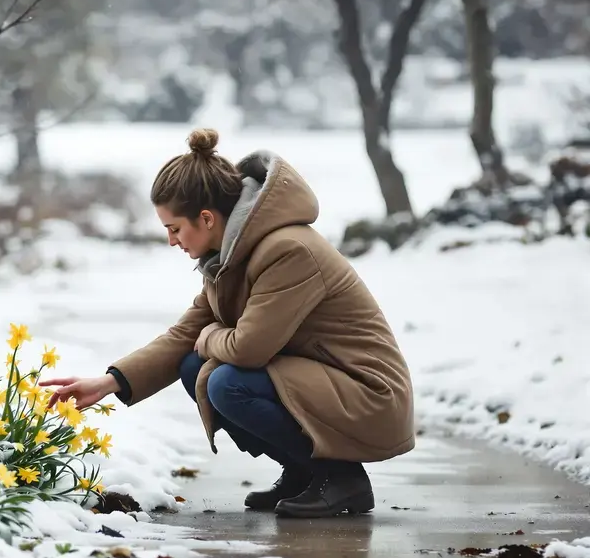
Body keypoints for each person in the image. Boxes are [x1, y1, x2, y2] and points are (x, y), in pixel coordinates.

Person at [40, 128, 414, 519]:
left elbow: (248, 350)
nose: (172, 241)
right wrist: (109, 382)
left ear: (206, 218)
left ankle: (340, 479)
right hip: (323, 382)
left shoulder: (287, 249)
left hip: (367, 391)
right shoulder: (230, 254)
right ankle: (304, 471)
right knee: (194, 367)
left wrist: (212, 335)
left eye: (174, 229)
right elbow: (185, 336)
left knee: (226, 382)